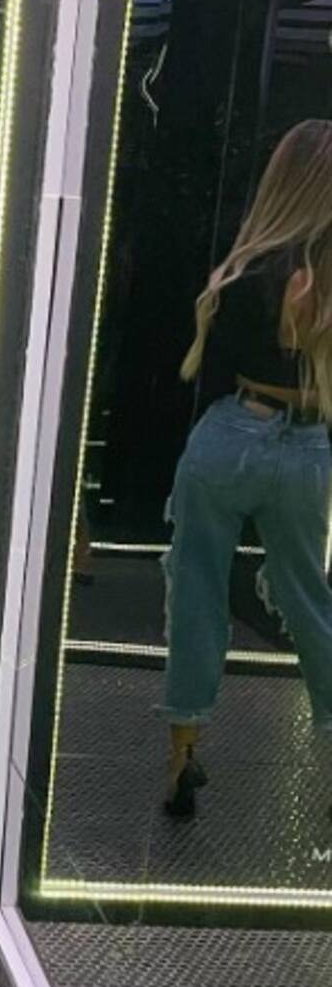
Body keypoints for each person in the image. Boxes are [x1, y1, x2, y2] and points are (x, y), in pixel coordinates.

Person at [159, 118, 332, 820]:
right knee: (309, 600)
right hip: (307, 445)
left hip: (232, 432)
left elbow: (214, 362)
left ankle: (181, 758)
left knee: (196, 586)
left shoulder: (246, 265)